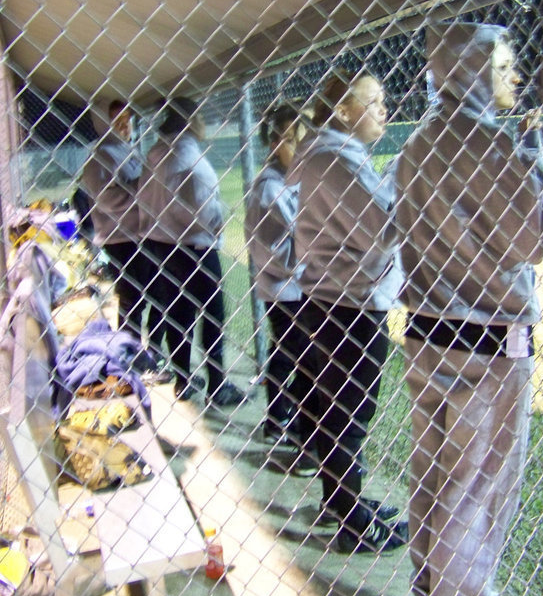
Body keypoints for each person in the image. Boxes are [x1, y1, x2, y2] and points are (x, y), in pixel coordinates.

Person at [394, 22, 543, 596]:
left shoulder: (418, 141)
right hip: (487, 340)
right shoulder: (486, 141)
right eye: (502, 63)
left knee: (433, 473)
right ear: (473, 69)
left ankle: (429, 590)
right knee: (477, 485)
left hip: (427, 331)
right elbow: (531, 239)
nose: (513, 75)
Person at [288, 68, 408, 554]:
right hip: (349, 304)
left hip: (330, 300)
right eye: (373, 102)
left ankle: (343, 503)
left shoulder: (328, 156)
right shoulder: (338, 160)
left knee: (335, 411)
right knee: (349, 415)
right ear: (343, 111)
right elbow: (383, 231)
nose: (384, 111)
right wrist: (406, 174)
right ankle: (351, 522)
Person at [138, 96, 245, 406]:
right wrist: (214, 226)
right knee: (212, 315)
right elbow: (203, 204)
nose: (204, 123)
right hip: (195, 246)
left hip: (162, 245)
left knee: (178, 314)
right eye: (199, 117)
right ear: (189, 120)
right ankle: (216, 382)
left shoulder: (156, 152)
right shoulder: (187, 155)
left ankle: (184, 380)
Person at [244, 103, 320, 472]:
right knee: (304, 362)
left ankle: (278, 418)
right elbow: (288, 251)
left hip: (291, 289)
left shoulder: (287, 181)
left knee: (290, 355)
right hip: (288, 291)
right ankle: (304, 441)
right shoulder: (271, 189)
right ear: (276, 143)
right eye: (294, 141)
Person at [82, 100, 155, 370]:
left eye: (127, 118)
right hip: (119, 238)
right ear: (103, 123)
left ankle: (142, 352)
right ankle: (127, 353)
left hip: (137, 234)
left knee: (149, 295)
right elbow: (107, 200)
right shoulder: (101, 156)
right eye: (117, 119)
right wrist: (143, 190)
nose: (125, 125)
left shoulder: (126, 151)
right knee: (132, 298)